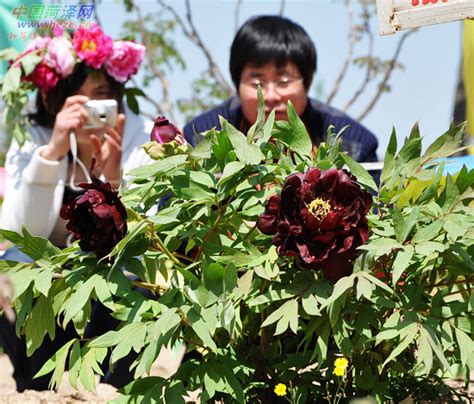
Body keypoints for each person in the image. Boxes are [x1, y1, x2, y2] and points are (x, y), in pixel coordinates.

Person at [0, 25, 151, 391]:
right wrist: (51, 153)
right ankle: (33, 381)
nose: (91, 113)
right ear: (57, 102)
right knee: (17, 261)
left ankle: (116, 383)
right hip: (47, 286)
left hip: (111, 280)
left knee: (137, 275)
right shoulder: (35, 137)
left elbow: (142, 240)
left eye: (100, 98)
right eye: (79, 103)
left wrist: (112, 181)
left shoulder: (139, 135)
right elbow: (21, 234)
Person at [184, 15, 378, 163]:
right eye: (257, 84)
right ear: (237, 83)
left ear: (307, 81)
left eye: (283, 82)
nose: (270, 96)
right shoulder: (199, 138)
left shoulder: (354, 144)